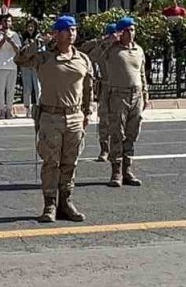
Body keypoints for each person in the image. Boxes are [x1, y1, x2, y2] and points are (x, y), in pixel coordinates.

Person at [16, 16, 93, 223]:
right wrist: (38, 41)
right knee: (51, 163)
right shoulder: (44, 58)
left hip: (75, 116)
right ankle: (49, 204)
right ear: (56, 34)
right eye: (66, 30)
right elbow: (20, 59)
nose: (71, 33)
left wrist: (87, 113)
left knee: (70, 162)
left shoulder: (82, 59)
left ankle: (66, 202)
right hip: (51, 116)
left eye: (74, 30)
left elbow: (87, 89)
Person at [83, 17, 147, 187]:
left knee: (132, 133)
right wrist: (106, 41)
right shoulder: (111, 49)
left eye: (132, 30)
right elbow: (90, 56)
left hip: (136, 95)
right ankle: (116, 171)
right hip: (118, 95)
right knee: (117, 133)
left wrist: (145, 95)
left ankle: (127, 170)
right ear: (120, 32)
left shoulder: (138, 50)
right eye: (126, 30)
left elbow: (142, 74)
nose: (130, 33)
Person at [93, 23, 118, 163]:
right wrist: (101, 42)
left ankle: (117, 149)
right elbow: (89, 55)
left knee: (118, 120)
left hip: (120, 88)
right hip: (105, 87)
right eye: (112, 35)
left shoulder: (122, 49)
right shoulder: (101, 49)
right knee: (103, 119)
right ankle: (104, 149)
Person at [18, 18, 42, 117]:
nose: (30, 28)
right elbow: (20, 51)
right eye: (29, 27)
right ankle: (27, 109)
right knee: (27, 87)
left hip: (36, 65)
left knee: (38, 87)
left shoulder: (39, 37)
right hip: (26, 65)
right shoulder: (23, 37)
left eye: (32, 26)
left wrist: (36, 43)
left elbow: (41, 50)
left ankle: (38, 107)